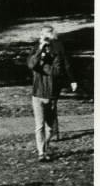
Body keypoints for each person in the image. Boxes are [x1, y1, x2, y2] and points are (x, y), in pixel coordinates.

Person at [27, 25, 77, 162]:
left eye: (50, 34)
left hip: (53, 93)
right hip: (38, 92)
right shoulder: (36, 48)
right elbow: (31, 65)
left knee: (51, 129)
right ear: (40, 35)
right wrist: (40, 49)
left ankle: (45, 146)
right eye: (45, 34)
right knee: (39, 125)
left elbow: (62, 67)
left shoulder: (58, 47)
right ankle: (41, 153)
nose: (47, 37)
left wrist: (72, 80)